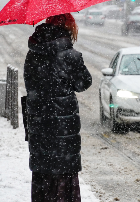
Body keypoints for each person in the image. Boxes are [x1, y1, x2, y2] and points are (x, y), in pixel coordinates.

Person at [23, 13, 92, 202]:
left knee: (43, 175)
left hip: (39, 126)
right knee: (63, 177)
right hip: (63, 130)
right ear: (68, 28)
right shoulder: (70, 55)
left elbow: (31, 85)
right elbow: (84, 83)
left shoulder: (33, 52)